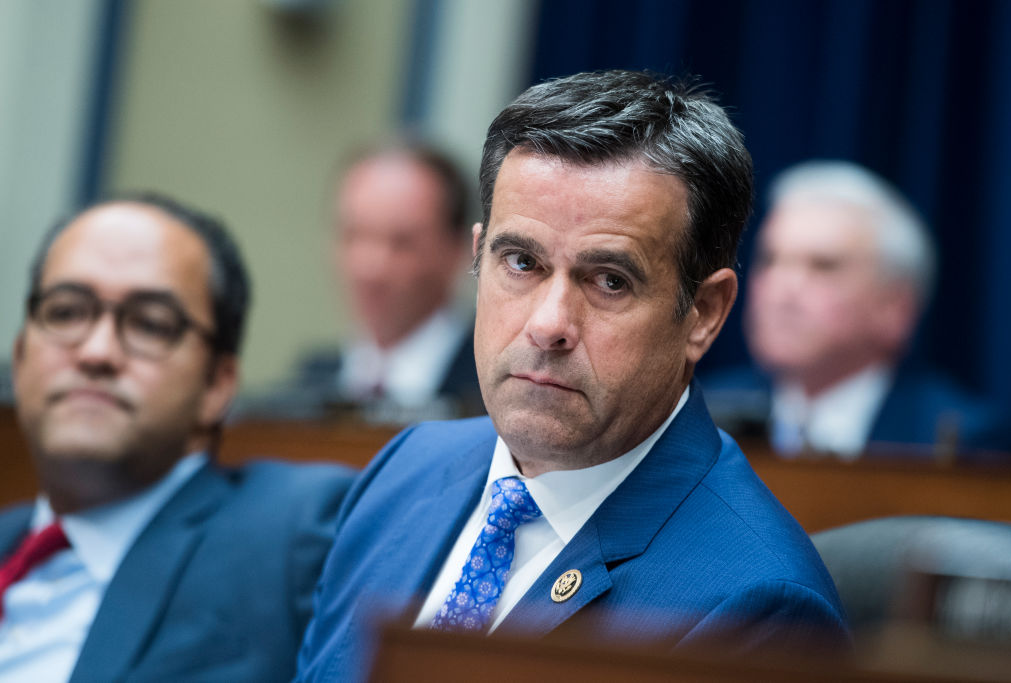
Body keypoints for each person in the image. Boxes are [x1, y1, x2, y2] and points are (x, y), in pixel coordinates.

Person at [296, 70, 848, 682]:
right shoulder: (405, 470)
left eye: (610, 280)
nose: (548, 324)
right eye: (522, 263)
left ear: (704, 314)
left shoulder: (757, 611)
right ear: (477, 257)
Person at [0, 194, 354, 682]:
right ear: (20, 357)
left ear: (217, 384)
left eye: (150, 324)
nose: (96, 352)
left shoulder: (296, 533)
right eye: (65, 313)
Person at [702, 161, 1011, 459]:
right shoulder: (697, 415)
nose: (782, 289)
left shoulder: (966, 443)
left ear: (895, 308)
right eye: (769, 260)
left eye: (824, 266)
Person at [289, 142, 483, 421]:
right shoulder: (305, 388)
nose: (370, 267)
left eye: (402, 243)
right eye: (353, 235)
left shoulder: (490, 399)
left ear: (460, 250)